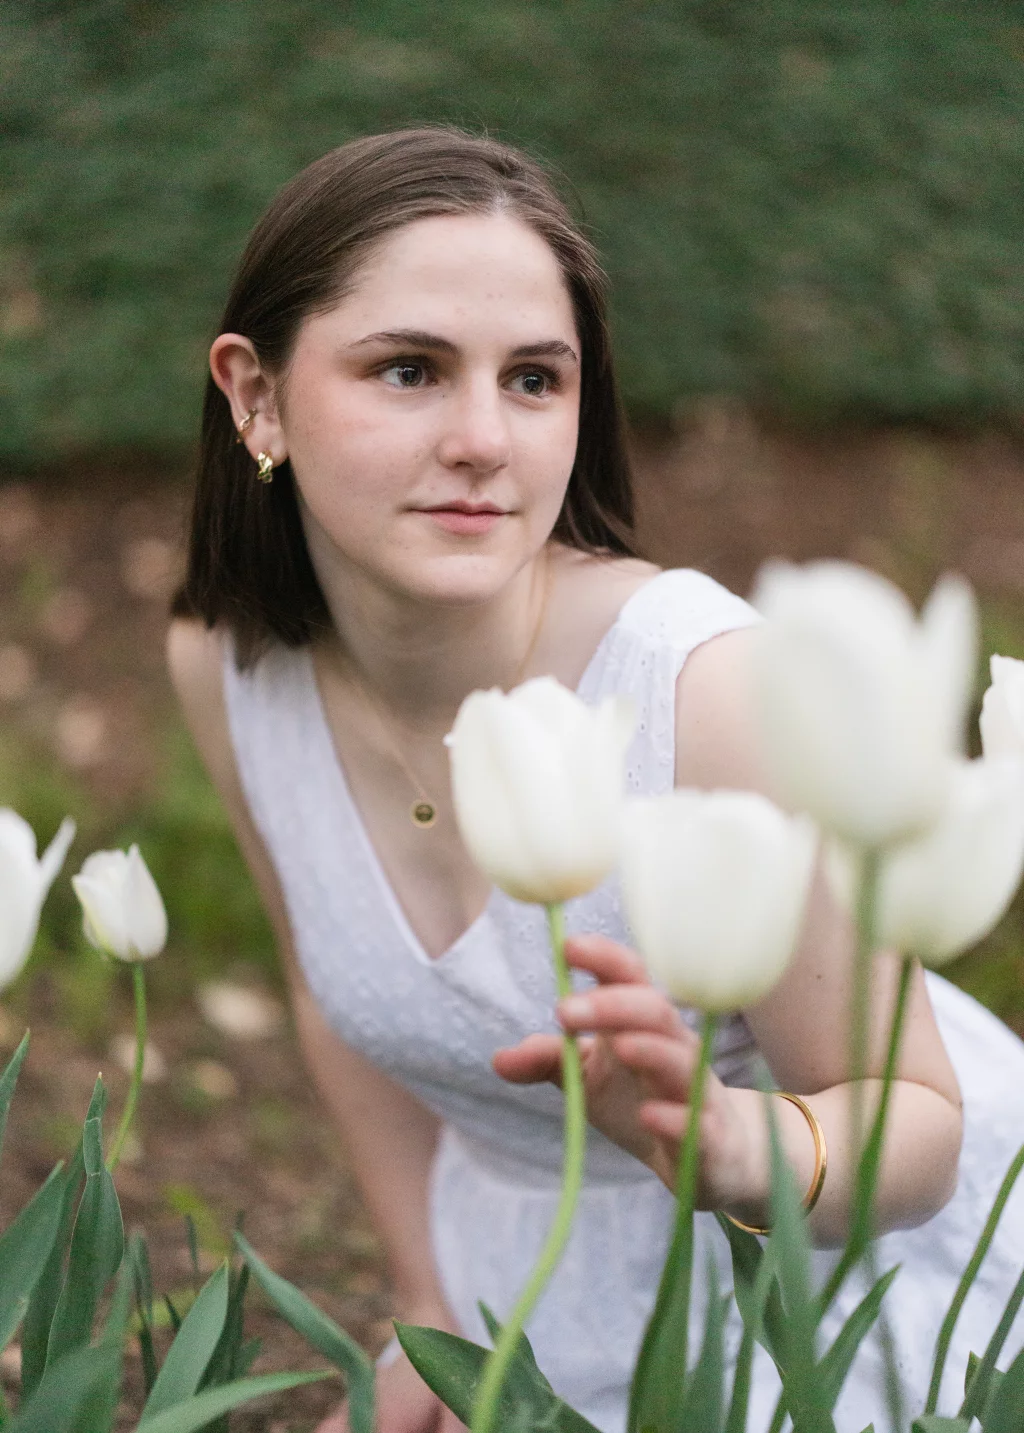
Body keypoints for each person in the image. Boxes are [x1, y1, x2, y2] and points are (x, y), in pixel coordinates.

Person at [167, 127, 1024, 1433]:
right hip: (526, 1277)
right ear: (256, 395)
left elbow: (918, 1133)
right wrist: (429, 1303)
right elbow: (332, 999)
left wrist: (736, 1147)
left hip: (839, 1291)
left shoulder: (708, 691)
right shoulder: (228, 672)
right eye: (408, 369)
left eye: (533, 380)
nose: (481, 439)